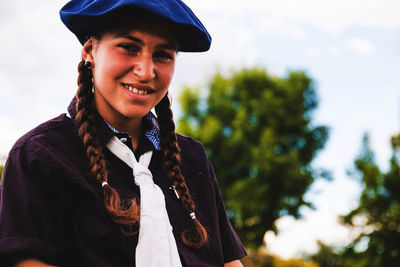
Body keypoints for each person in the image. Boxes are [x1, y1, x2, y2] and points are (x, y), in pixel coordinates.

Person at [0, 0, 247, 266]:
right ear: (90, 51)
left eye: (163, 55)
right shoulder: (40, 155)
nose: (145, 71)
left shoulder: (192, 157)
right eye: (128, 48)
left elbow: (229, 262)